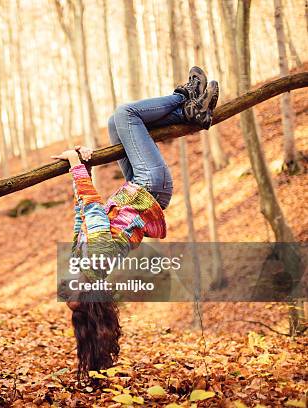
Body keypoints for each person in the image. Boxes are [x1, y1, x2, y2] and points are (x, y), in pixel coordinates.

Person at [51, 67, 218, 379]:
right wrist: (75, 166)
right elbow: (92, 208)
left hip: (134, 189)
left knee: (116, 124)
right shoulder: (97, 261)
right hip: (150, 187)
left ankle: (192, 113)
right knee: (126, 114)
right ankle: (184, 98)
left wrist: (83, 164)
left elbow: (80, 215)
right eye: (72, 294)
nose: (65, 289)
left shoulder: (79, 261)